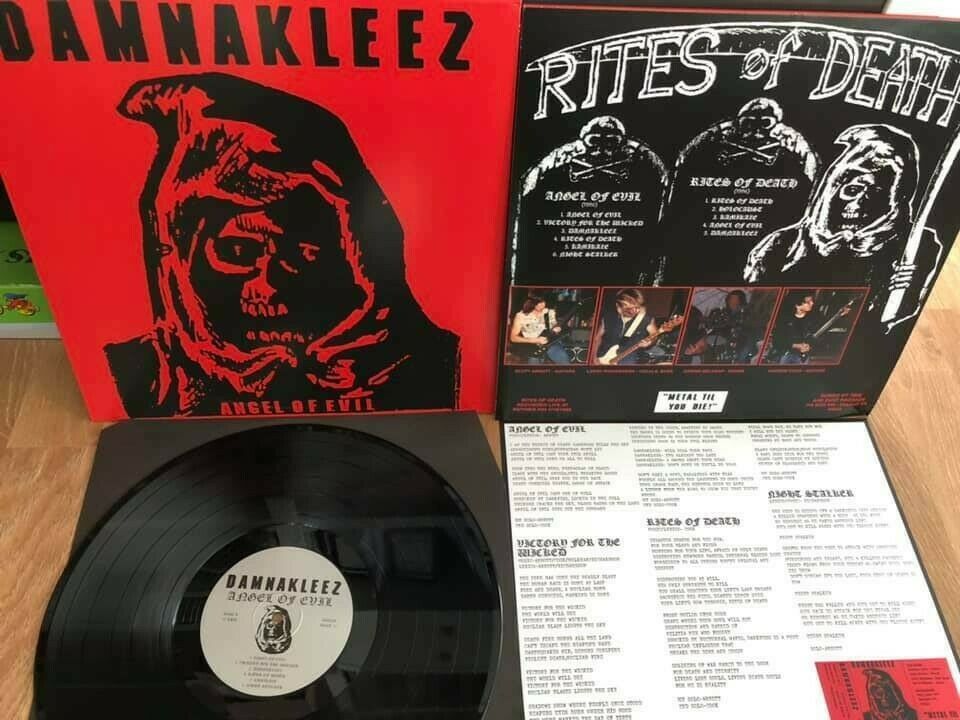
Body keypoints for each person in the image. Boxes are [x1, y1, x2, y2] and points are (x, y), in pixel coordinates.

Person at [103, 74, 460, 416]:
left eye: (307, 254)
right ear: (171, 257)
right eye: (239, 251)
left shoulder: (434, 365)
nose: (271, 285)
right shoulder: (133, 379)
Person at [745, 125, 925, 317]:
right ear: (830, 188)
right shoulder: (781, 244)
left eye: (878, 196)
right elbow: (760, 306)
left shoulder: (915, 246)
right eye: (853, 190)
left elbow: (892, 322)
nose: (859, 205)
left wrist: (908, 291)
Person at [662, 98, 819, 283]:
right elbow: (686, 157)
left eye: (765, 123)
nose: (757, 130)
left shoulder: (788, 138)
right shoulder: (722, 133)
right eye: (750, 122)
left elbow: (809, 164)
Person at [591, 288, 659, 365]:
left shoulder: (645, 319)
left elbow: (654, 335)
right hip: (602, 357)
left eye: (637, 307)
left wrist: (650, 342)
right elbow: (597, 338)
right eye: (629, 308)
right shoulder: (608, 317)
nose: (635, 311)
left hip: (628, 358)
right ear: (618, 306)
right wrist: (594, 357)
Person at [508, 293, 570, 364]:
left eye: (543, 302)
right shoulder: (521, 316)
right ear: (530, 303)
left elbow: (555, 327)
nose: (541, 305)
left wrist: (558, 329)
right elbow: (513, 338)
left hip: (550, 343)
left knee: (564, 359)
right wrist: (535, 340)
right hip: (531, 346)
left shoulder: (550, 312)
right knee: (534, 366)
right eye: (537, 303)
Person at [771, 292, 819, 364]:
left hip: (804, 357)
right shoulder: (784, 319)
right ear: (797, 305)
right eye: (808, 302)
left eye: (812, 301)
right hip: (785, 355)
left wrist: (810, 346)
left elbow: (818, 338)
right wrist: (795, 346)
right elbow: (777, 341)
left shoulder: (814, 318)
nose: (812, 303)